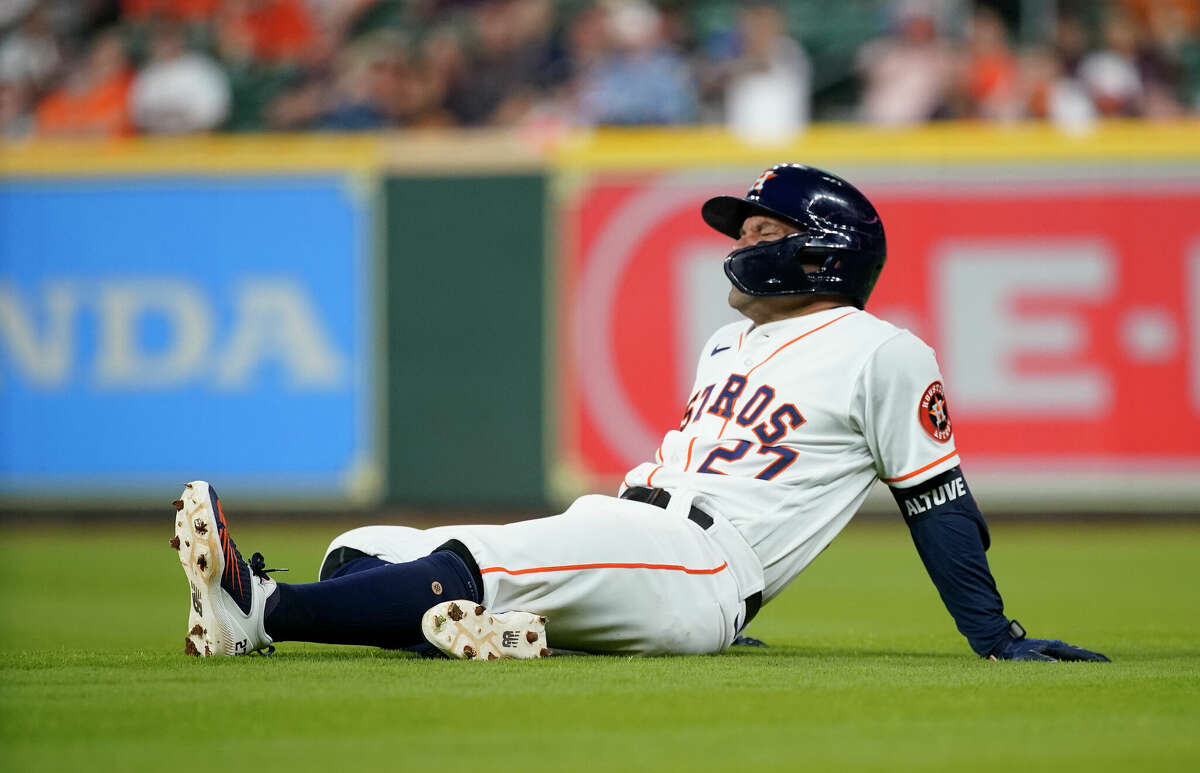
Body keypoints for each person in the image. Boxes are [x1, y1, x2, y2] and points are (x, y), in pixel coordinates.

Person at [172, 163, 1110, 663]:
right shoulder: (725, 343)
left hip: (699, 565)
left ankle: (260, 612)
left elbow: (936, 501)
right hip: (624, 529)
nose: (740, 243)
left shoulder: (886, 351)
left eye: (761, 230)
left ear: (822, 251)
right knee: (361, 547)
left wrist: (996, 636)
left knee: (473, 561)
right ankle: (477, 629)